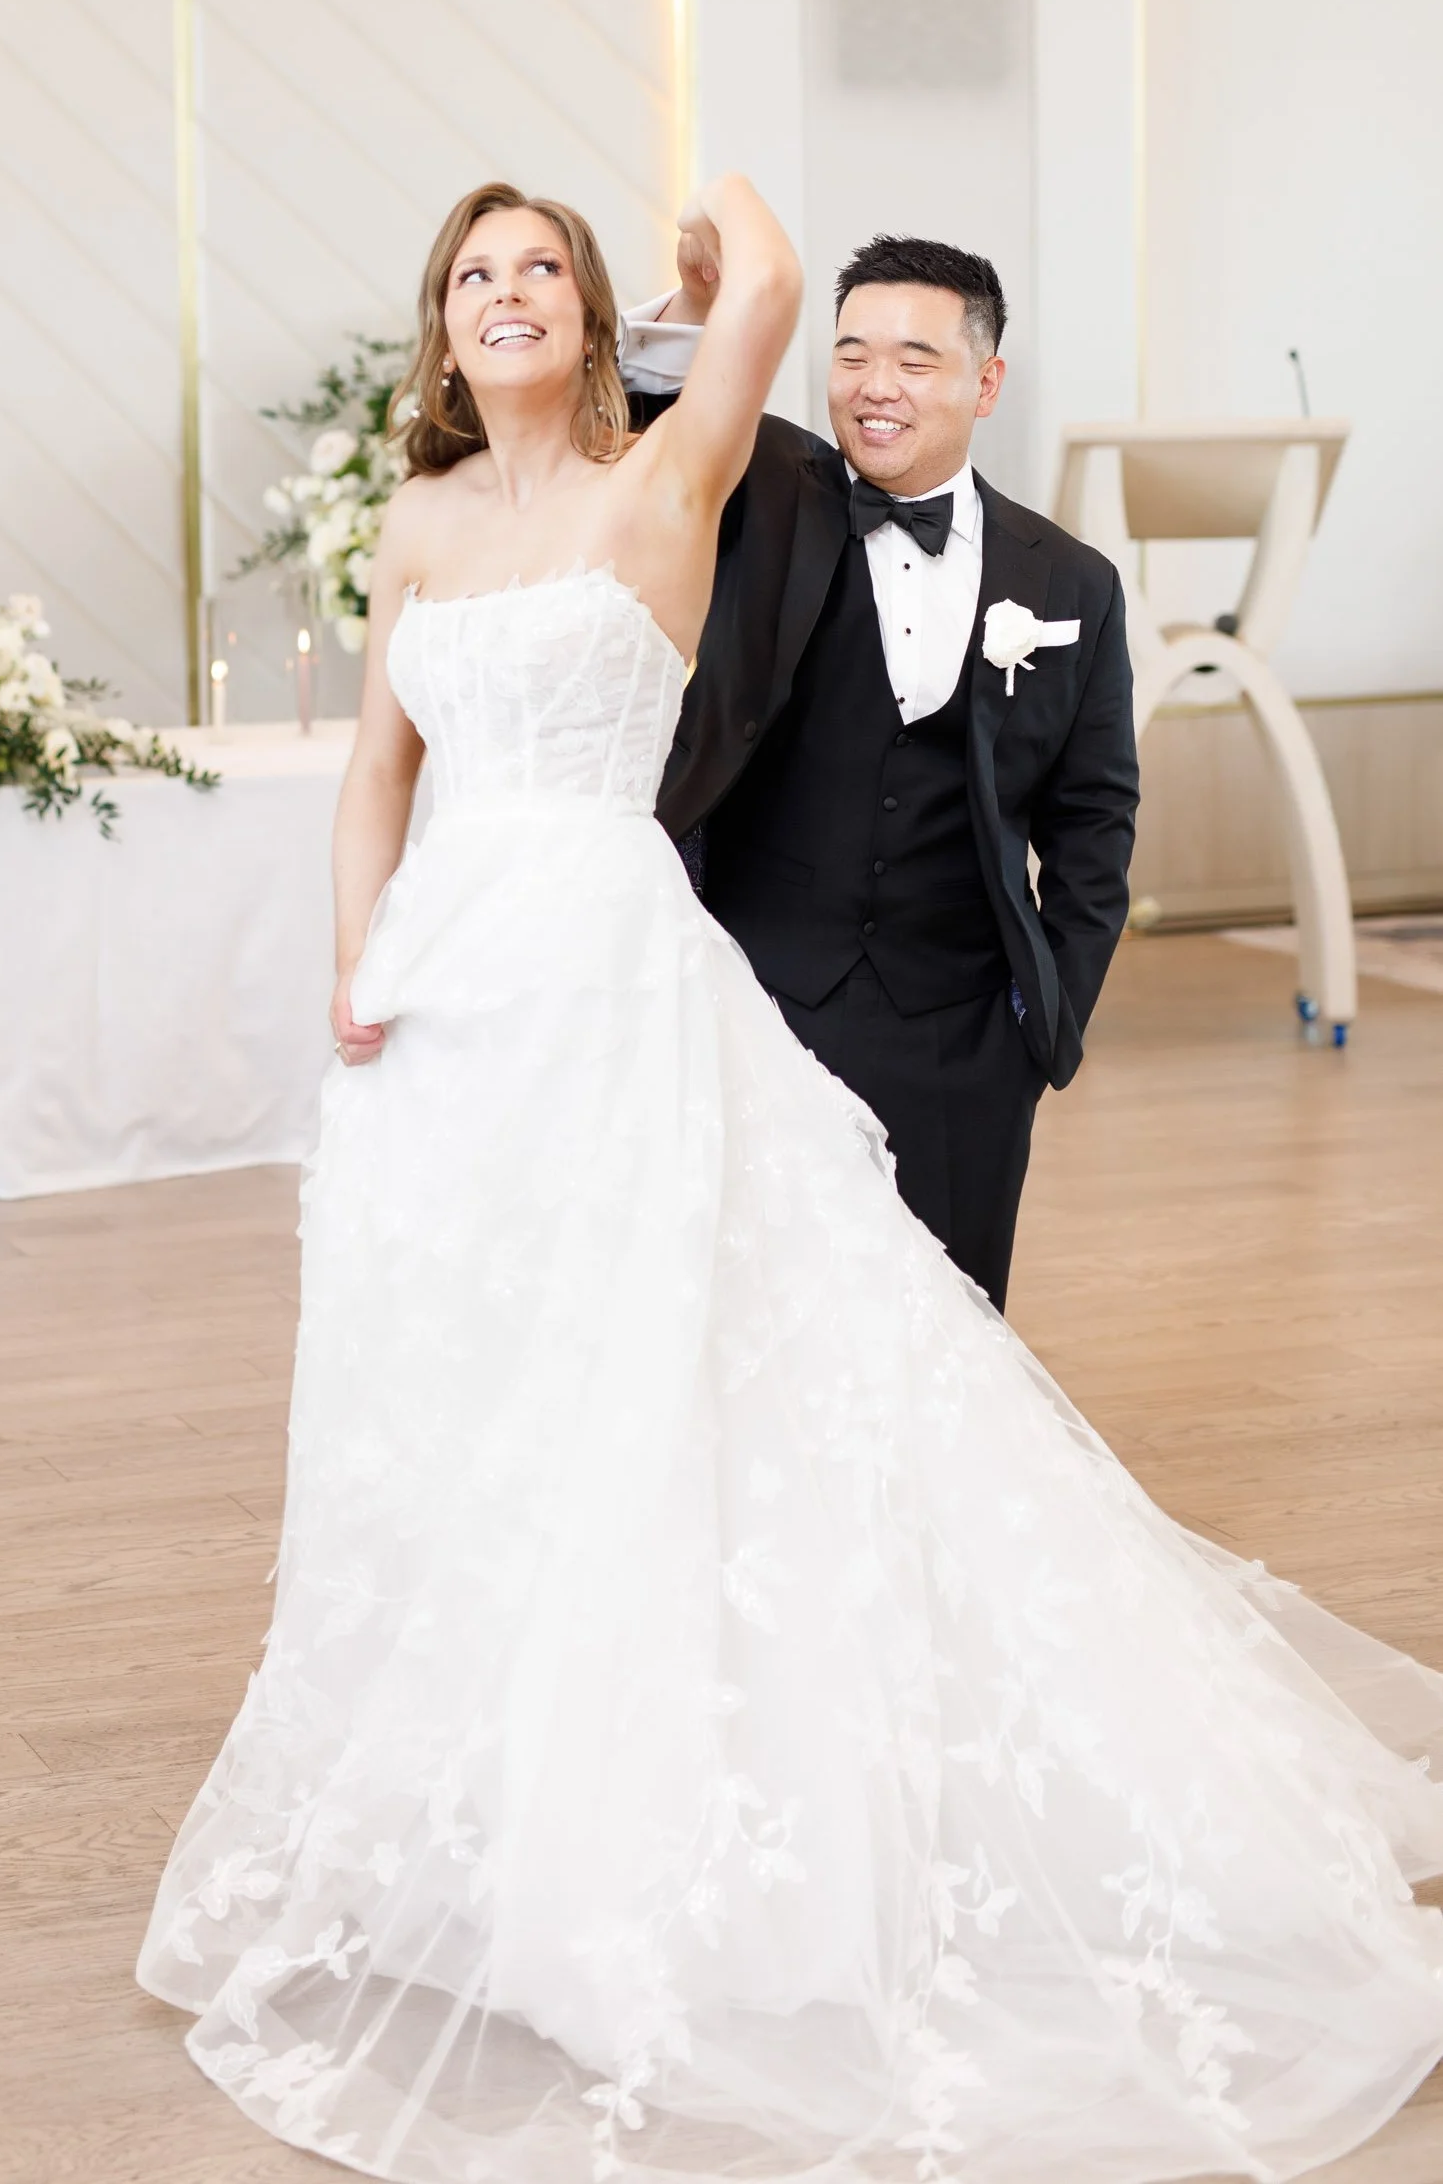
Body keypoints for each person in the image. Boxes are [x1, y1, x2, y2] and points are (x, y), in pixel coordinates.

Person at [139, 177, 1443, 2184]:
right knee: (454, 1398)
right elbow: (381, 768)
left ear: (588, 320)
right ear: (438, 323)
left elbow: (757, 274)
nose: (503, 297)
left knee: (647, 1384)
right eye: (470, 275)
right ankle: (471, 1815)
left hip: (601, 972)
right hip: (441, 1007)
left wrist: (687, 254)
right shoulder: (412, 522)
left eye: (535, 272)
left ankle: (657, 1835)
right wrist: (353, 953)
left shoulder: (672, 473)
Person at [620, 233, 1138, 1311]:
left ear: (985, 383)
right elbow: (647, 400)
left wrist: (1039, 1025)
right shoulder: (762, 492)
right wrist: (703, 287)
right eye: (851, 355)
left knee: (949, 1341)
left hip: (963, 1039)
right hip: (758, 1006)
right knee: (755, 1325)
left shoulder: (1072, 583)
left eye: (914, 359)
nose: (874, 388)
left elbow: (1093, 824)